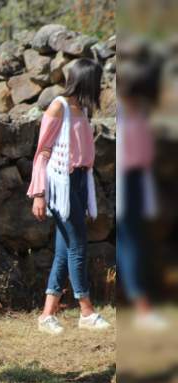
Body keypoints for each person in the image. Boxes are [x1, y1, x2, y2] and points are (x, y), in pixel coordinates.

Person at [28, 58, 111, 334]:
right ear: (86, 81)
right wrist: (39, 193)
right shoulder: (58, 106)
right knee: (78, 246)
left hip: (78, 180)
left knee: (64, 251)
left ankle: (47, 314)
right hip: (60, 183)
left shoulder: (82, 110)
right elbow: (42, 150)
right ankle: (86, 310)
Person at [116, 47, 168, 331]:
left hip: (137, 181)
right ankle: (141, 306)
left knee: (136, 241)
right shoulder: (122, 114)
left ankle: (138, 299)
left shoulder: (141, 112)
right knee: (131, 243)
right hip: (125, 183)